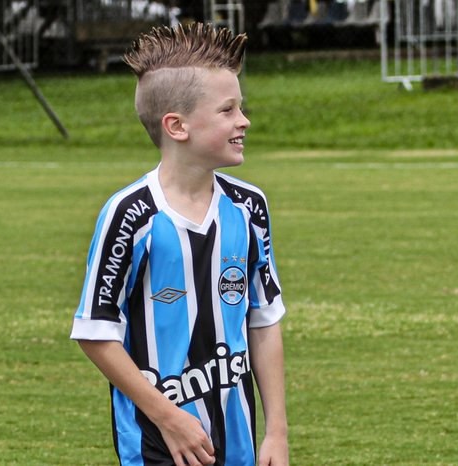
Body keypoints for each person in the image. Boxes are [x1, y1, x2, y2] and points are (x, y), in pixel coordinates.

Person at [70, 23, 289, 466]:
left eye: (240, 107)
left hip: (239, 440)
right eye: (227, 110)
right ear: (177, 125)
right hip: (157, 442)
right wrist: (168, 417)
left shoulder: (249, 206)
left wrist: (277, 433)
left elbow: (263, 321)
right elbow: (95, 332)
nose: (243, 120)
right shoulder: (130, 214)